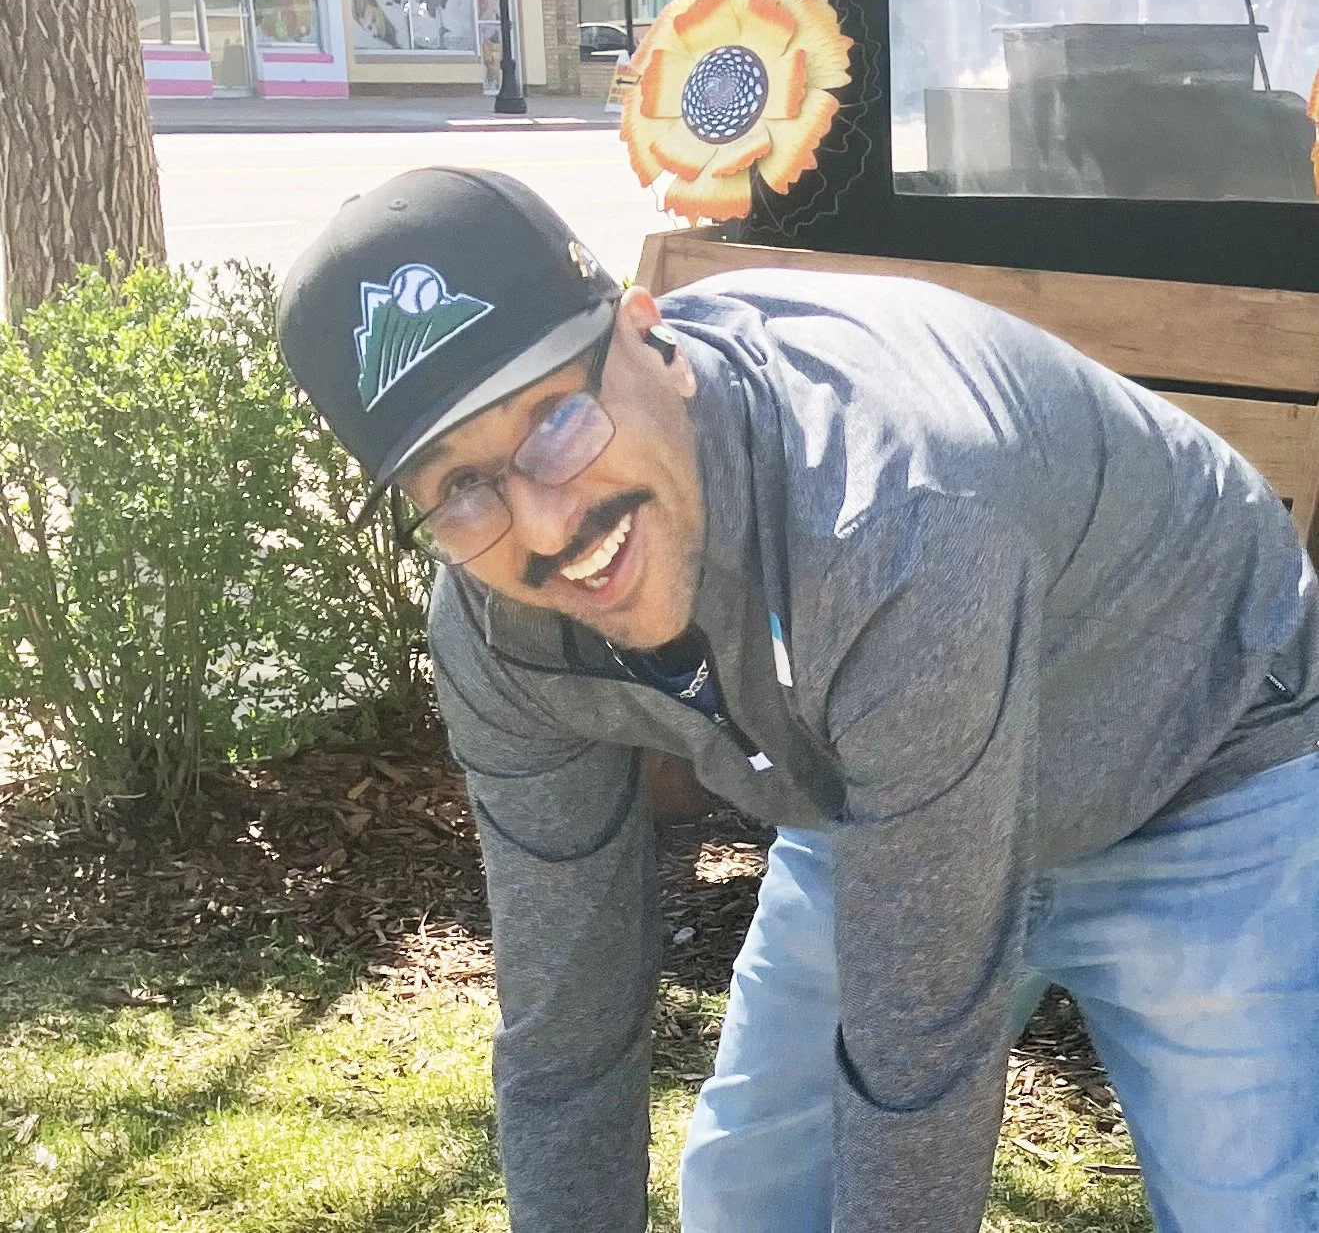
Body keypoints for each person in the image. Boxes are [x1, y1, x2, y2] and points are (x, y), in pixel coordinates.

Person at [277, 167, 1319, 1233]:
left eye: (554, 418)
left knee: (1253, 1208)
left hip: (1195, 755)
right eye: (458, 486)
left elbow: (916, 1063)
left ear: (650, 341)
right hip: (872, 779)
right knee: (750, 1197)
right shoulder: (498, 632)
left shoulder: (888, 523)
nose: (544, 526)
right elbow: (565, 1033)